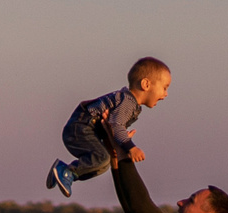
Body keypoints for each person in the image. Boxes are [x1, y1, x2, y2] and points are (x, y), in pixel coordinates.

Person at [47, 57, 171, 197]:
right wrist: (130, 147)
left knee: (103, 165)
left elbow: (113, 127)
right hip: (81, 128)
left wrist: (118, 139)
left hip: (84, 129)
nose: (165, 94)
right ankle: (66, 171)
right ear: (146, 84)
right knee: (102, 158)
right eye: (165, 88)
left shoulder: (129, 103)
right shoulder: (128, 102)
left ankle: (65, 173)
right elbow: (116, 125)